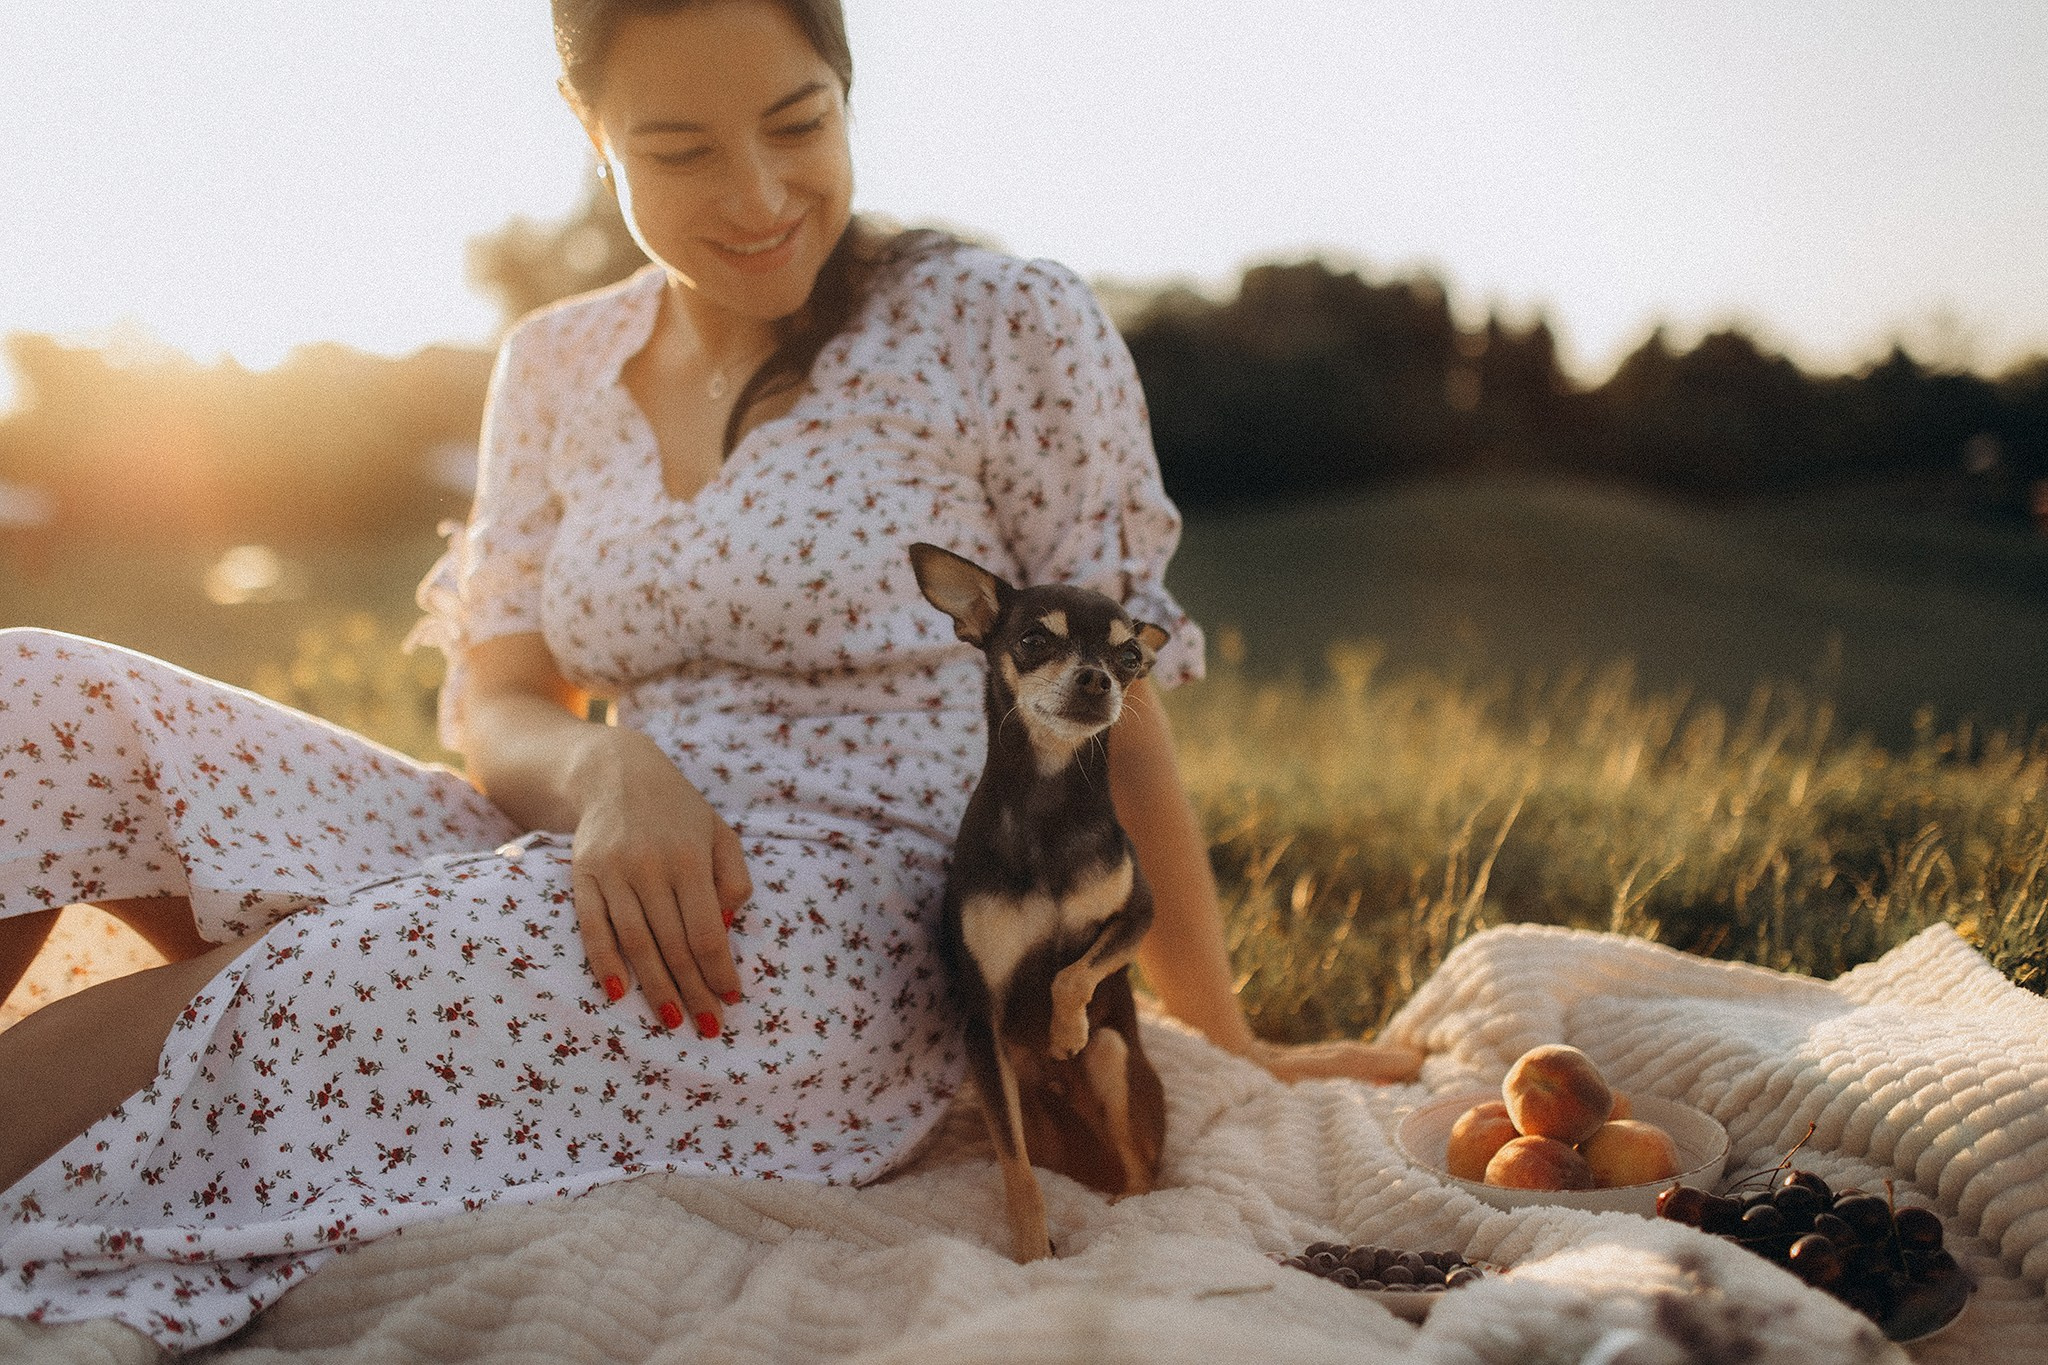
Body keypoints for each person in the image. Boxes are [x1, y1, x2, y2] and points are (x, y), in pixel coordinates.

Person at [0, 0, 1420, 1348]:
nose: (756, 195)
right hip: (584, 824)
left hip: (844, 907)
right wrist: (611, 769)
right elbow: (501, 701)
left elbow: (1118, 709)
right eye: (680, 150)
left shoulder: (1003, 324)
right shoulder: (553, 364)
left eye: (798, 125)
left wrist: (1226, 1032)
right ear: (590, 129)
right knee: (35, 698)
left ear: (847, 92)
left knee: (306, 978)